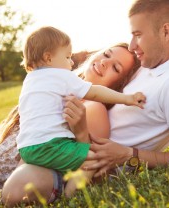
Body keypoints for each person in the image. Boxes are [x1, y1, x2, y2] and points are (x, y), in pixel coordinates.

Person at [0, 42, 141, 207]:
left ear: (117, 85)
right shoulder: (53, 82)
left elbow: (87, 166)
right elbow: (7, 126)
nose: (105, 62)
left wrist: (81, 131)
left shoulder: (93, 108)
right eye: (106, 54)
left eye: (116, 67)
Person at [17, 26, 145, 196]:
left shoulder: (31, 80)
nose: (71, 63)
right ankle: (70, 199)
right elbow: (96, 91)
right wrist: (127, 99)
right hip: (49, 145)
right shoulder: (62, 77)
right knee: (94, 158)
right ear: (48, 58)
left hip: (26, 149)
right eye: (67, 57)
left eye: (116, 68)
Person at [84, 0, 169, 176]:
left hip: (91, 171)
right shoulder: (151, 62)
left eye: (138, 35)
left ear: (166, 32)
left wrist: (129, 155)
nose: (132, 46)